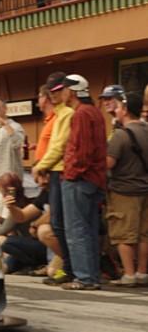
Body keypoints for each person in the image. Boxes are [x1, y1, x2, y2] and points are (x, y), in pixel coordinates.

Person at [60, 73, 108, 290]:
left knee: (76, 230)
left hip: (80, 179)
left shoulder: (80, 114)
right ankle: (92, 276)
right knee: (89, 228)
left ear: (71, 91)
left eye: (63, 89)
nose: (61, 93)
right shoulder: (95, 113)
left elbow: (82, 151)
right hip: (95, 179)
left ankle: (84, 278)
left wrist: (70, 174)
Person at [33, 72, 76, 285]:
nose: (54, 95)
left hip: (61, 172)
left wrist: (41, 166)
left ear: (67, 90)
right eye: (52, 91)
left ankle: (70, 268)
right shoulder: (59, 114)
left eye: (58, 90)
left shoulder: (67, 113)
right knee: (58, 223)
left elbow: (59, 146)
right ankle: (68, 267)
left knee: (61, 223)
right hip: (55, 171)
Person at [105, 91, 148, 286]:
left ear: (125, 110)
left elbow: (108, 163)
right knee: (144, 234)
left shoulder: (121, 135)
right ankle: (142, 272)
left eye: (119, 107)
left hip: (124, 190)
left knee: (124, 234)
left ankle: (128, 274)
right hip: (145, 189)